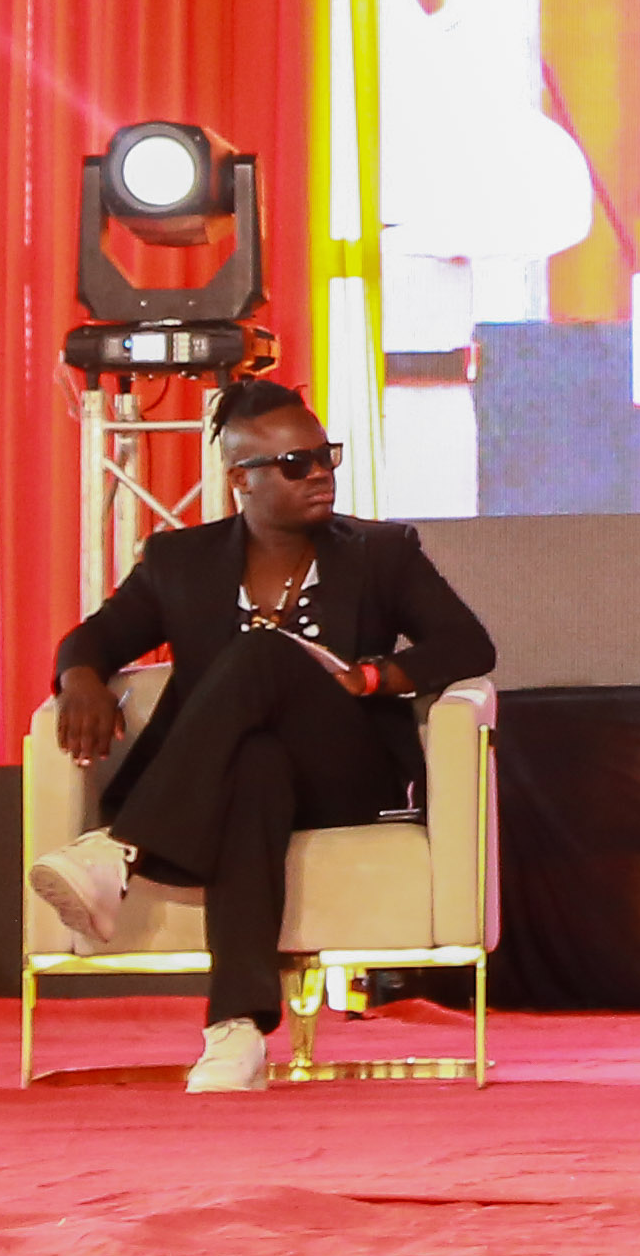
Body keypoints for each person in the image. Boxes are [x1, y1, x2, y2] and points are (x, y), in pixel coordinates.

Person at [29, 380, 495, 1094]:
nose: (320, 475)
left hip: (349, 770)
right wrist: (80, 680)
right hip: (241, 782)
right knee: (254, 766)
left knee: (261, 652)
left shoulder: (381, 552)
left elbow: (467, 643)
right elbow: (92, 638)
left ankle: (122, 847)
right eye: (296, 464)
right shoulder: (180, 561)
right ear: (241, 479)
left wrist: (375, 676)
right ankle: (235, 1032)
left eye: (325, 456)